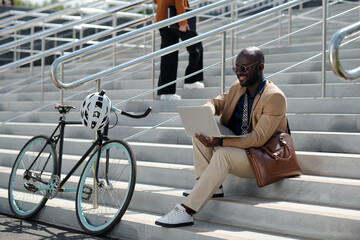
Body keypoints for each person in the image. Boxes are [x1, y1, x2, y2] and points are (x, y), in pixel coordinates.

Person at [155, 46, 288, 227]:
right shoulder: (238, 88)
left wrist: (221, 142)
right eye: (236, 68)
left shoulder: (274, 97)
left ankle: (186, 211)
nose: (239, 73)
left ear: (260, 67)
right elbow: (214, 103)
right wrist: (206, 113)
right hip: (239, 146)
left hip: (261, 157)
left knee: (222, 155)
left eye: (245, 68)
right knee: (201, 131)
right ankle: (209, 186)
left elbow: (257, 139)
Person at [153, 0, 204, 101]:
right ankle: (191, 80)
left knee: (169, 55)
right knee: (196, 45)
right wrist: (183, 21)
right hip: (175, 17)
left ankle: (166, 93)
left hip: (162, 17)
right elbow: (179, 2)